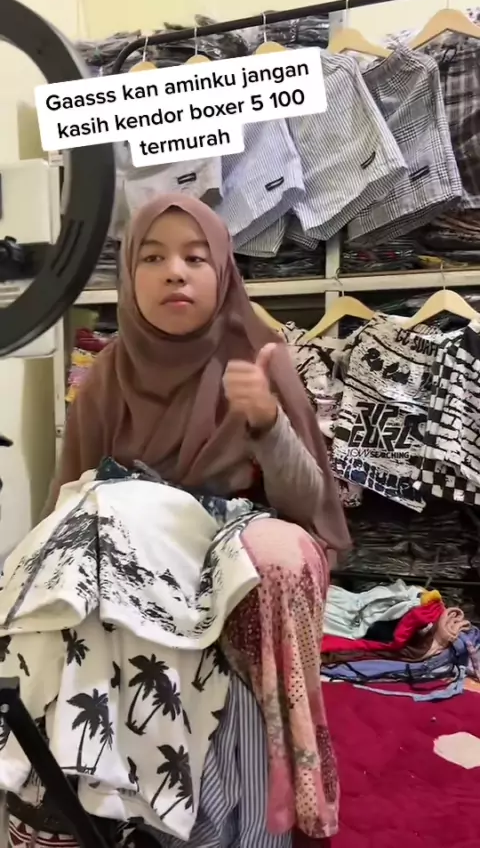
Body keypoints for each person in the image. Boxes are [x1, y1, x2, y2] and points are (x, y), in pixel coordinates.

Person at [43, 194, 351, 842]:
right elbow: (66, 499)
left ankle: (282, 796)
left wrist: (266, 423)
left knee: (278, 558)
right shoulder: (107, 376)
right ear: (129, 276)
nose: (174, 273)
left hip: (235, 547)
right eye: (153, 258)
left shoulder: (259, 357)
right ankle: (98, 802)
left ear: (224, 272)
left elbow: (308, 508)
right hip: (136, 555)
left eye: (194, 257)